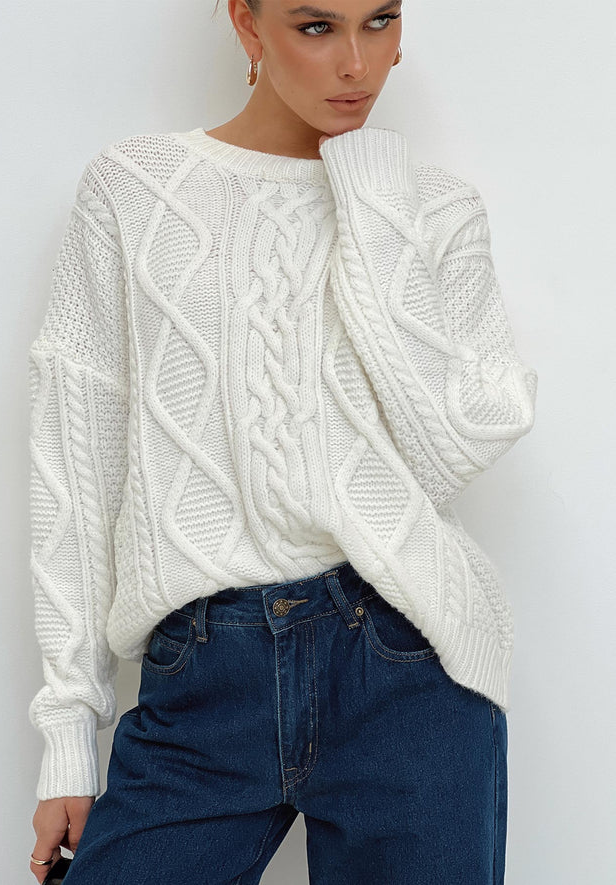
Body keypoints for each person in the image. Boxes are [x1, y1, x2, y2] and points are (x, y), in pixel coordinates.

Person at [28, 0, 538, 882]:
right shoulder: (135, 188)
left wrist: (371, 195)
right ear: (247, 23)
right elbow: (76, 462)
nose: (357, 63)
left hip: (405, 668)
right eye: (315, 26)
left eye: (380, 21)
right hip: (200, 678)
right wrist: (68, 729)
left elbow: (452, 444)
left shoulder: (434, 209)